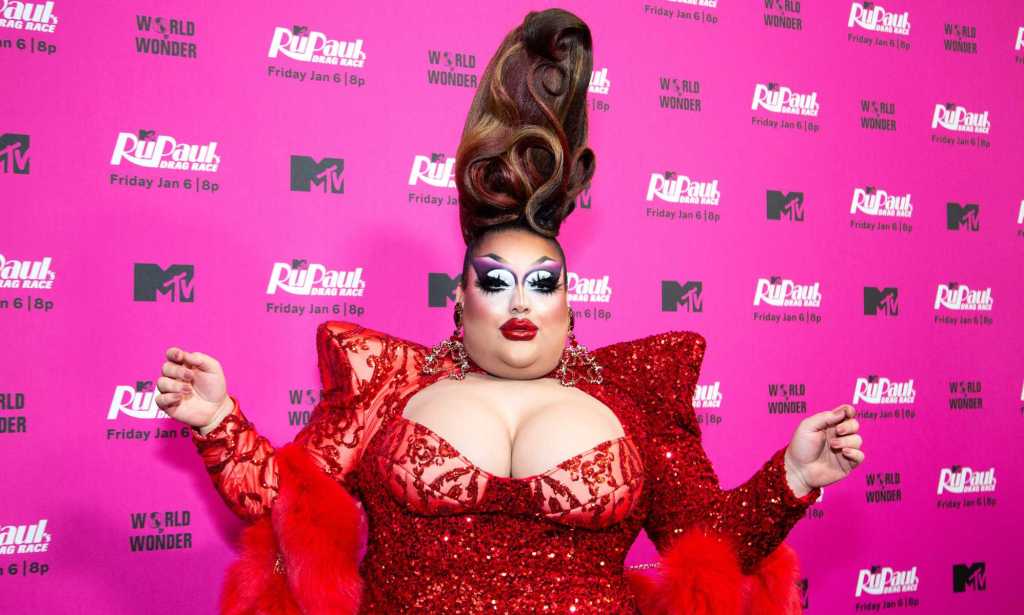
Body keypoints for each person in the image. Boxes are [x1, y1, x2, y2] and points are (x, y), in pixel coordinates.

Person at [156, 8, 864, 614]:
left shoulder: (634, 400)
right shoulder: (386, 387)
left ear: (568, 299)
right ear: (459, 299)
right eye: (495, 282)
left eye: (543, 281)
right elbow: (288, 505)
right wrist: (218, 420)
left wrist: (794, 475)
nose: (520, 300)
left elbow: (707, 546)